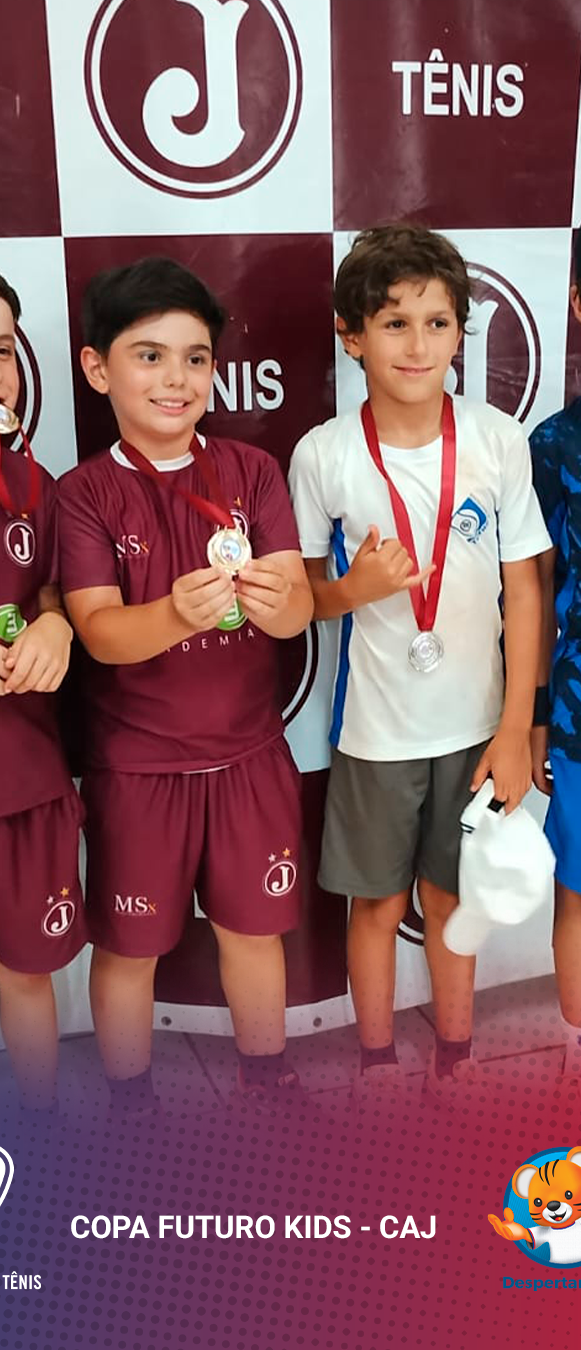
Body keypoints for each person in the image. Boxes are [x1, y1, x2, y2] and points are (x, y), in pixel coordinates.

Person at [289, 224, 551, 1112]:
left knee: (449, 896)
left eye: (437, 323)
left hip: (477, 725)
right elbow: (301, 600)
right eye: (393, 322)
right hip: (375, 729)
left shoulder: (493, 439)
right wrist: (353, 588)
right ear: (350, 334)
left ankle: (455, 1053)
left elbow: (524, 589)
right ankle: (375, 1062)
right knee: (373, 905)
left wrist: (513, 728)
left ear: (459, 333)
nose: (417, 344)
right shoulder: (324, 453)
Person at [58, 256, 313, 1117]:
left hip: (249, 755)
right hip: (138, 769)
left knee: (254, 933)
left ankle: (267, 1081)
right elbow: (99, 632)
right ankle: (130, 1103)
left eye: (195, 358)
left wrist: (280, 602)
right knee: (129, 949)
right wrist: (173, 612)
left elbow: (296, 611)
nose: (177, 378)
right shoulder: (84, 494)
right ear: (97, 368)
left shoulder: (252, 471)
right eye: (150, 355)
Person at [0, 273, 86, 1117]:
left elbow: (50, 594)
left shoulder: (33, 481)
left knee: (23, 971)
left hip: (21, 772)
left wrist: (55, 626)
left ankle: (42, 1132)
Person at [530, 229, 581, 1090]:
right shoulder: (553, 444)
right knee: (579, 889)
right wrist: (537, 713)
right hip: (579, 711)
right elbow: (534, 591)